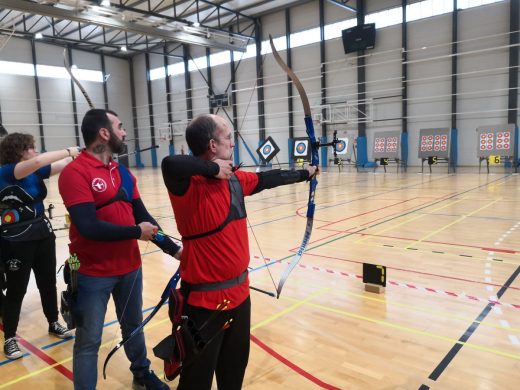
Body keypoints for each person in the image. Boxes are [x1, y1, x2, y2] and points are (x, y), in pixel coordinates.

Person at [161, 114, 318, 390]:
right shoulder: (188, 186)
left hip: (240, 297)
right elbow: (170, 163)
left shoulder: (235, 181)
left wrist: (306, 173)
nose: (232, 144)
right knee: (196, 381)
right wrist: (212, 170)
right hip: (203, 304)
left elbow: (269, 178)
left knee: (233, 375)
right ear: (212, 145)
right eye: (228, 138)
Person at [58, 108, 181, 390]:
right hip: (91, 272)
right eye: (120, 126)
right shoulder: (74, 173)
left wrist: (174, 250)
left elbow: (144, 217)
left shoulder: (123, 172)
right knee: (89, 340)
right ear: (104, 133)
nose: (124, 132)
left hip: (129, 268)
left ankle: (141, 371)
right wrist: (137, 232)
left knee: (133, 325)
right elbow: (88, 226)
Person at [0, 133, 80, 360]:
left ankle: (53, 322)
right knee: (17, 290)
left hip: (43, 235)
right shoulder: (7, 172)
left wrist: (84, 154)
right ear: (19, 151)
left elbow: (63, 164)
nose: (35, 151)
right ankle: (10, 338)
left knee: (47, 283)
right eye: (31, 147)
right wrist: (70, 149)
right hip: (16, 240)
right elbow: (37, 161)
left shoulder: (34, 171)